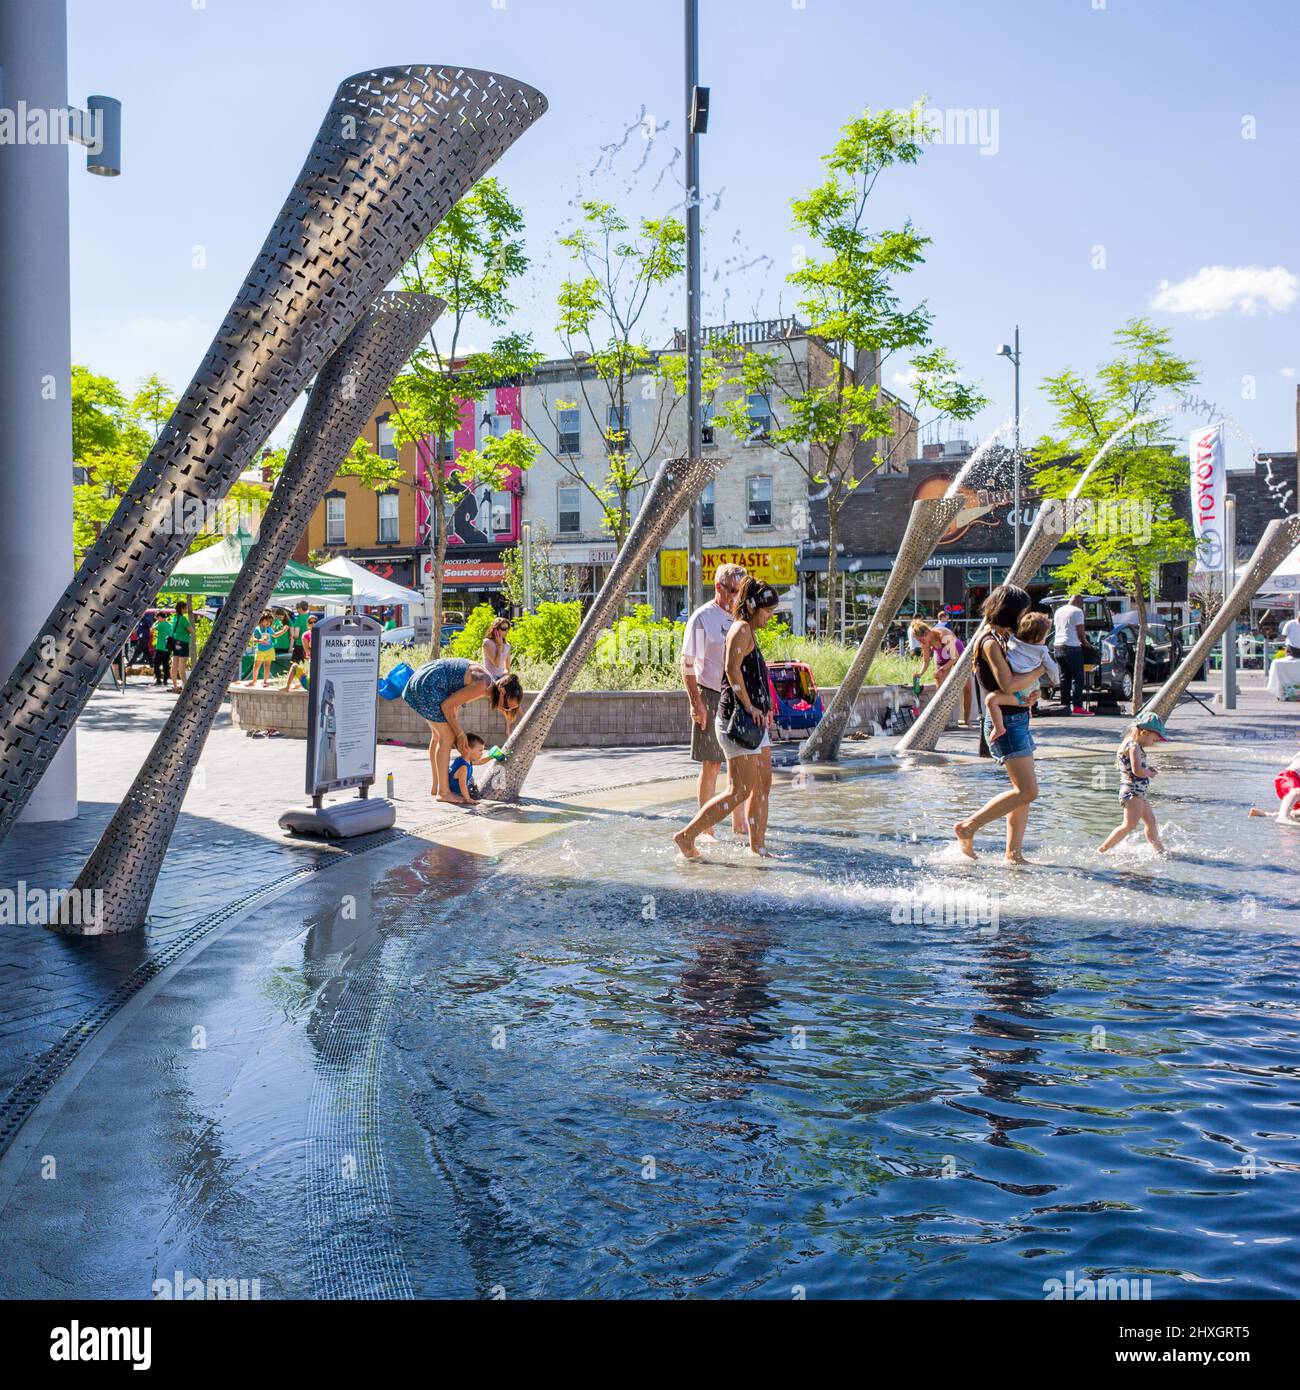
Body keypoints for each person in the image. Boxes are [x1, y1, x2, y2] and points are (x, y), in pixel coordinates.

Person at [674, 577, 781, 860]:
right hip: (738, 720)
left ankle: (758, 847)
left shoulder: (748, 629)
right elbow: (732, 671)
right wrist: (749, 705)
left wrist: (764, 708)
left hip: (755, 720)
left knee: (763, 782)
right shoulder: (741, 629)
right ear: (753, 606)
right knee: (739, 790)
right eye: (768, 612)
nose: (770, 617)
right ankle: (687, 836)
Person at [954, 584, 1041, 864]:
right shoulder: (990, 642)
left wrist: (1028, 698)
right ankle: (968, 826)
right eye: (1023, 610)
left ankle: (1013, 853)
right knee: (1027, 791)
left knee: (1022, 793)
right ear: (1011, 612)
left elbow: (1014, 688)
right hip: (1005, 722)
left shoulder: (1001, 639)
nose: (1025, 615)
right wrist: (1042, 668)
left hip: (1015, 718)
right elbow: (1008, 683)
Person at [680, 563, 749, 840]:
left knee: (740, 763)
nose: (736, 597)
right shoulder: (702, 618)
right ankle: (706, 828)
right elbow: (686, 664)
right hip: (709, 693)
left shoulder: (741, 618)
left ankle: (740, 824)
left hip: (737, 696)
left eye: (740, 591)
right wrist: (695, 702)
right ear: (718, 587)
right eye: (732, 591)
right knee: (712, 764)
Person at [401, 656, 523, 804]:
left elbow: (455, 703)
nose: (505, 710)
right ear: (502, 691)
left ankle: (436, 787)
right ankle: (444, 792)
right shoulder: (483, 685)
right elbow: (447, 706)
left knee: (439, 736)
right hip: (428, 685)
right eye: (506, 707)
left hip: (424, 680)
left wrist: (456, 728)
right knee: (448, 738)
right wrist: (459, 734)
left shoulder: (487, 682)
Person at [1099, 711, 1169, 855]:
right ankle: (1103, 849)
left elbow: (1135, 767)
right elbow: (1137, 770)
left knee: (1151, 821)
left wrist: (1147, 769)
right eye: (1154, 739)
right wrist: (1149, 773)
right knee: (1128, 825)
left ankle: (1160, 851)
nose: (1154, 743)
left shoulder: (1133, 744)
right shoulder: (1133, 746)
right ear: (1143, 732)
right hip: (1132, 792)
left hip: (1138, 792)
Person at [983, 610, 1060, 741]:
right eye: (1045, 636)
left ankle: (999, 727)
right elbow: (1052, 668)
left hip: (1022, 689)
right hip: (1028, 687)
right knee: (994, 699)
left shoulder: (1012, 639)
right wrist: (1056, 681)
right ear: (1038, 637)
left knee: (992, 700)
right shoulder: (1042, 651)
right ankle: (1019, 715)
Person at [912, 618, 973, 726]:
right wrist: (920, 674)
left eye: (921, 640)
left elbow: (955, 657)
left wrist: (943, 668)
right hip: (943, 657)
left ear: (928, 632)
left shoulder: (944, 634)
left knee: (967, 688)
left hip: (958, 655)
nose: (921, 643)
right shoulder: (925, 642)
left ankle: (966, 720)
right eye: (919, 641)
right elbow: (926, 661)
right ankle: (940, 721)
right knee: (940, 687)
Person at [1248, 734, 1300, 823]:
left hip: (1294, 783)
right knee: (1297, 791)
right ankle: (1282, 817)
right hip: (1289, 777)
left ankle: (1269, 814)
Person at [1052, 593, 1089, 714]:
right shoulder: (1077, 611)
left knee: (1064, 678)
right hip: (1072, 647)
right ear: (1079, 603)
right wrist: (1087, 645)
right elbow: (1081, 634)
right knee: (1078, 678)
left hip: (1057, 647)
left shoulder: (1058, 611)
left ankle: (1065, 705)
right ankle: (1078, 707)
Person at [481, 616, 516, 734]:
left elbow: (507, 668)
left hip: (500, 678)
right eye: (503, 628)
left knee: (514, 696)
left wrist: (505, 675)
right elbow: (496, 664)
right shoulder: (487, 643)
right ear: (496, 629)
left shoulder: (507, 646)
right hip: (488, 678)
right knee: (502, 696)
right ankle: (510, 727)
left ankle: (511, 726)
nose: (506, 631)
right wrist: (499, 646)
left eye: (507, 629)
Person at [447, 733, 491, 804]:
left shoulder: (466, 760)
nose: (482, 753)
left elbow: (480, 762)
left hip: (464, 789)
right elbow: (462, 784)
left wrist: (491, 757)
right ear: (467, 749)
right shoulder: (463, 767)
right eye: (480, 750)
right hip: (457, 793)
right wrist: (468, 799)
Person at [246, 610, 284, 687]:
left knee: (267, 666)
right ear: (261, 620)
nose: (268, 623)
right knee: (256, 666)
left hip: (269, 650)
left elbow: (275, 635)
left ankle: (265, 681)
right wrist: (260, 640)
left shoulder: (269, 629)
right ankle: (254, 681)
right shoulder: (257, 629)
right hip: (260, 650)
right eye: (266, 621)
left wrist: (283, 631)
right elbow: (254, 639)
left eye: (270, 622)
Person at [283, 602, 311, 691]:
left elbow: (296, 635)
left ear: (299, 609)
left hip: (300, 646)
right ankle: (300, 683)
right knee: (307, 665)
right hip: (309, 647)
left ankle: (288, 686)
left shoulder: (299, 619)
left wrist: (292, 636)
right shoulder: (310, 618)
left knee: (294, 665)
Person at [169, 600, 194, 693]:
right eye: (185, 608)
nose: (186, 609)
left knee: (174, 664)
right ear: (182, 609)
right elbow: (191, 630)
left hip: (175, 642)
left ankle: (175, 686)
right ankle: (185, 686)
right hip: (183, 642)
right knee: (182, 665)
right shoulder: (183, 619)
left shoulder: (175, 618)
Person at [150, 607, 173, 687]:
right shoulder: (170, 624)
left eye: (157, 617)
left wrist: (156, 621)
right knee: (166, 664)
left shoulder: (161, 625)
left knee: (156, 664)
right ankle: (165, 680)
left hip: (160, 647)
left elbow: (152, 629)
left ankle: (158, 679)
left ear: (160, 617)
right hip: (168, 647)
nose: (157, 619)